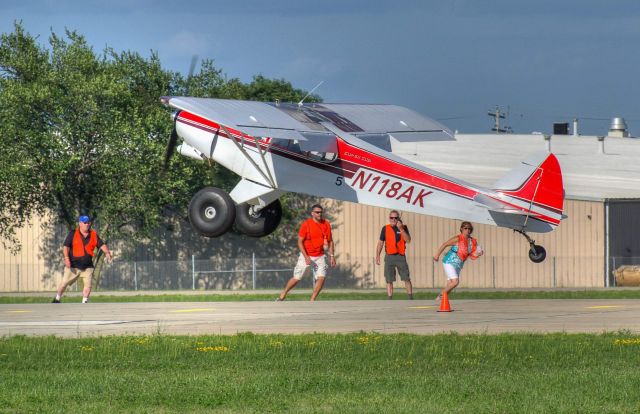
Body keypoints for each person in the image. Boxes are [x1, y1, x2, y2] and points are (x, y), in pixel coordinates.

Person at [277, 204, 336, 301]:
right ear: (312, 213)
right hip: (307, 255)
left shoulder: (326, 224)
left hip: (320, 256)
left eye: (321, 212)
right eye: (317, 212)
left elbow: (330, 241)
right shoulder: (306, 224)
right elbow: (300, 242)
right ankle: (284, 292)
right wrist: (306, 257)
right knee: (297, 278)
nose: (319, 214)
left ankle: (312, 299)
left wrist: (332, 256)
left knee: (321, 277)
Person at [52, 215, 112, 303]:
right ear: (80, 223)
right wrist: (66, 258)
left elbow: (102, 245)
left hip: (87, 266)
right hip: (73, 266)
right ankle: (57, 299)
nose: (87, 224)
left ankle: (84, 302)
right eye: (85, 223)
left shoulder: (93, 235)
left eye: (88, 222)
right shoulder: (73, 233)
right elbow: (66, 247)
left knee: (88, 286)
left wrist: (107, 253)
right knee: (64, 283)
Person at [433, 221, 483, 301]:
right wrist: (437, 255)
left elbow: (471, 254)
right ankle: (439, 296)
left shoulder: (472, 241)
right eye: (465, 228)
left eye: (469, 228)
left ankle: (442, 302)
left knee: (450, 284)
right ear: (461, 229)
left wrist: (478, 253)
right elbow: (445, 244)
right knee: (455, 282)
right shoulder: (458, 238)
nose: (467, 230)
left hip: (459, 265)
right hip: (449, 261)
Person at [375, 210, 413, 300]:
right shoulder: (385, 228)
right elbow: (380, 243)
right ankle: (390, 298)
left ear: (398, 218)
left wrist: (401, 229)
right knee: (389, 279)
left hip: (400, 256)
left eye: (395, 218)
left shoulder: (403, 227)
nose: (393, 219)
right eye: (391, 217)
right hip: (389, 256)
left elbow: (408, 240)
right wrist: (377, 255)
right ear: (389, 218)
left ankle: (410, 297)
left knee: (406, 278)